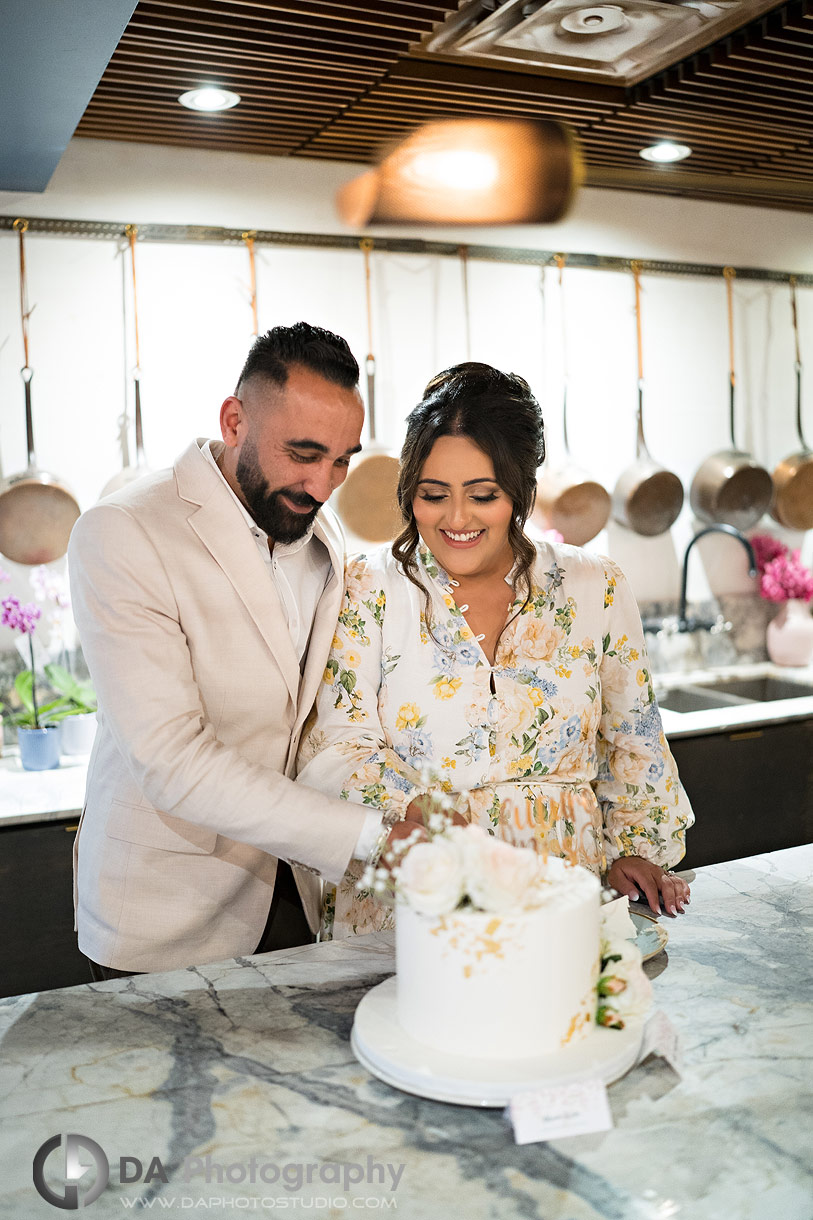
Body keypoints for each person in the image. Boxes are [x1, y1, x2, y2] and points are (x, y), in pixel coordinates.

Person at [68, 322, 420, 979]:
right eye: (304, 452)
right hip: (165, 911)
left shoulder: (324, 534)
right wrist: (369, 835)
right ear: (234, 421)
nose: (323, 485)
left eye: (342, 458)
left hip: (290, 899)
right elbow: (171, 760)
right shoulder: (122, 534)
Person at [297, 361, 694, 939]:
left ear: (520, 492)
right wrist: (427, 811)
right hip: (413, 901)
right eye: (434, 496)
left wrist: (635, 849)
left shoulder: (595, 587)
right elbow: (335, 745)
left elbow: (632, 736)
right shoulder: (368, 588)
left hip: (563, 898)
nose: (456, 519)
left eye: (482, 495)